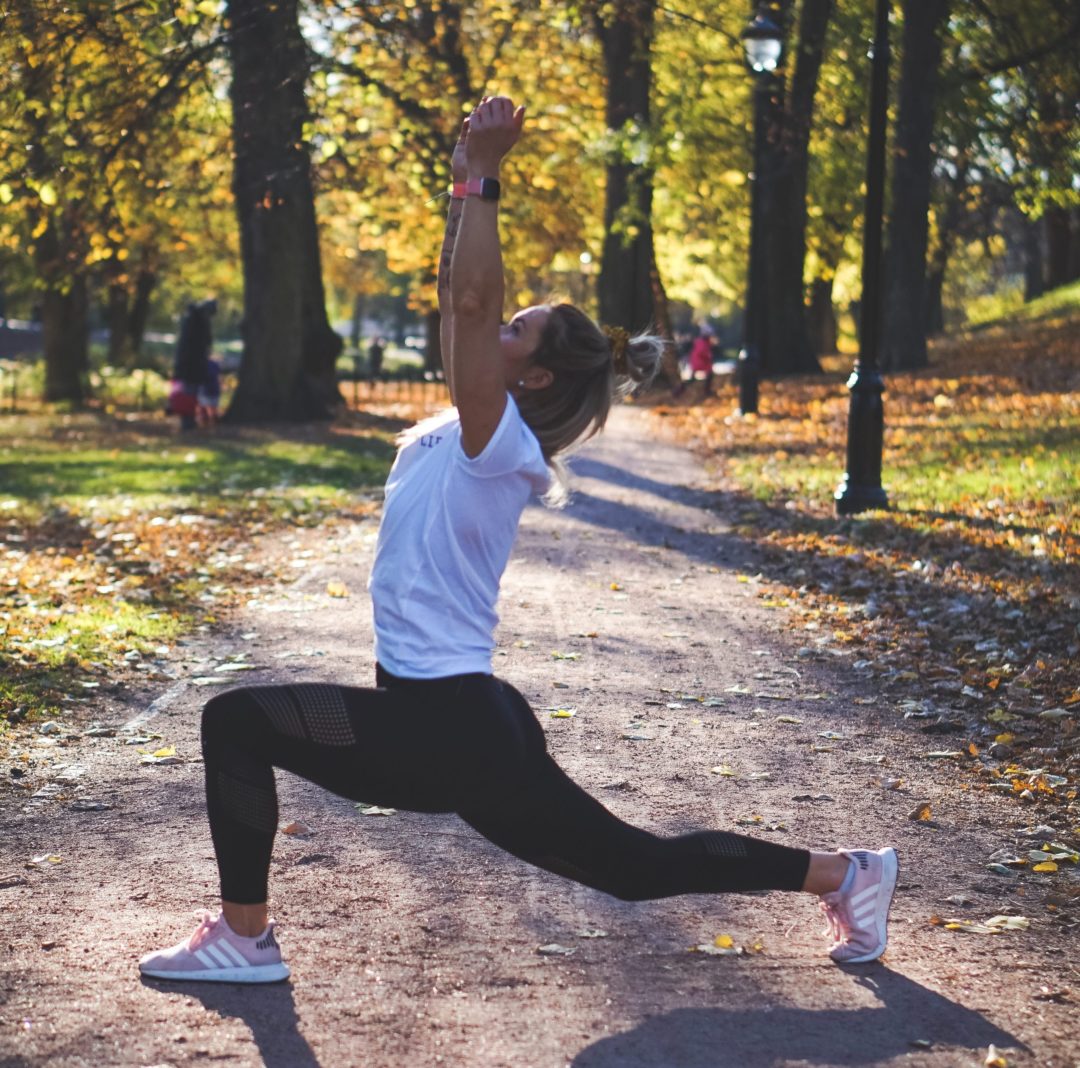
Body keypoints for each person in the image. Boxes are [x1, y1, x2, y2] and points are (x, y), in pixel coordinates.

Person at [138, 97, 897, 985]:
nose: (487, 327)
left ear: (533, 375)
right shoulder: (469, 421)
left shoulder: (498, 441)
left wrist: (484, 178)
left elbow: (467, 300)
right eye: (503, 320)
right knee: (632, 867)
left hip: (444, 724)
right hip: (452, 721)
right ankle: (849, 875)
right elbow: (453, 296)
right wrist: (463, 180)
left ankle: (245, 940)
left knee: (236, 723)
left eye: (512, 329)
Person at [168, 298, 217, 431]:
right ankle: (188, 422)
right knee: (189, 394)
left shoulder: (192, 321)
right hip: (191, 367)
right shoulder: (197, 323)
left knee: (191, 394)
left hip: (190, 367)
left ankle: (190, 421)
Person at [688, 326, 717, 397]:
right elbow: (702, 352)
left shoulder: (701, 342)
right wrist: (709, 355)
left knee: (693, 378)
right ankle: (707, 391)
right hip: (700, 362)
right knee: (709, 374)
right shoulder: (702, 342)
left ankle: (679, 391)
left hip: (698, 362)